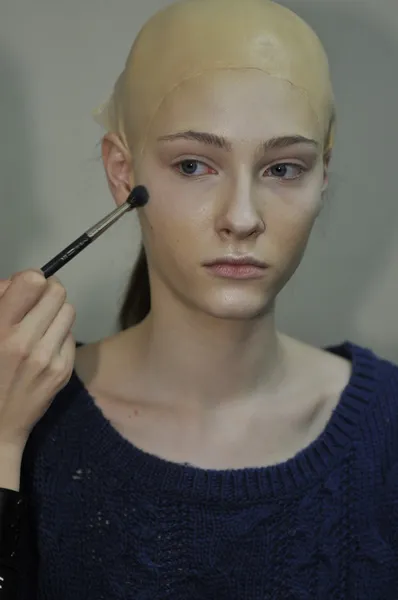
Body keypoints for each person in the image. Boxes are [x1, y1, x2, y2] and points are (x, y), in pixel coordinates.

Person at [0, 0, 397, 597]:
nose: (242, 217)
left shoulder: (388, 429)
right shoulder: (25, 418)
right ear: (121, 172)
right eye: (193, 165)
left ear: (323, 178)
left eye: (284, 169)